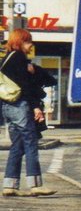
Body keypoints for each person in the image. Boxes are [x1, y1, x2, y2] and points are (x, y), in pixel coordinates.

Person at [1, 29, 55, 196]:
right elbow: (26, 86)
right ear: (19, 42)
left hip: (7, 106)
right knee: (30, 142)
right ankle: (35, 185)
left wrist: (32, 70)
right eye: (27, 41)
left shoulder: (6, 59)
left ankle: (10, 186)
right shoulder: (19, 58)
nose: (31, 45)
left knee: (17, 146)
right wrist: (35, 107)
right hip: (20, 106)